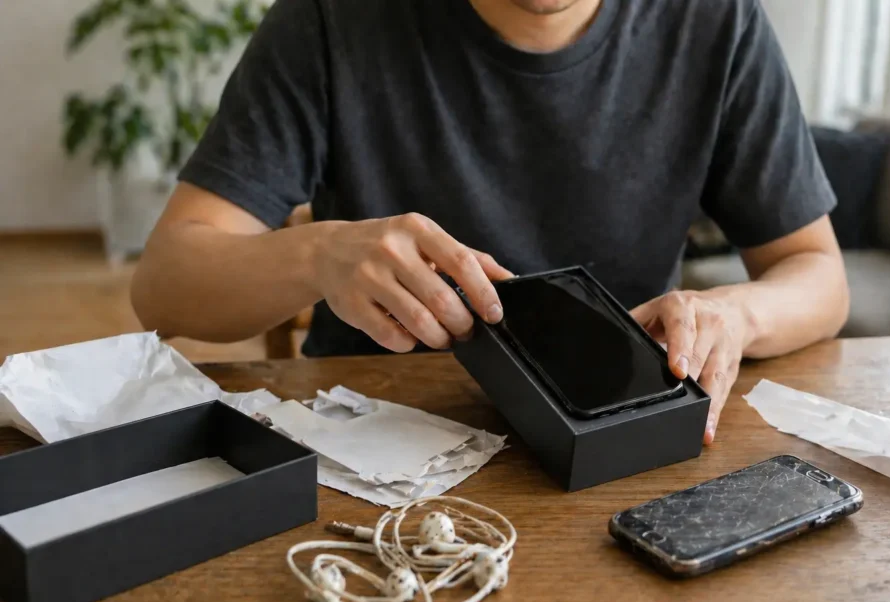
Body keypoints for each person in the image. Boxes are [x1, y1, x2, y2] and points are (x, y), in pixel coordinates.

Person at [131, 0, 850, 446]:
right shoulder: (331, 18)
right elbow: (165, 285)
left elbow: (819, 274)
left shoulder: (715, 21)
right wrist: (318, 254)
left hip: (621, 442)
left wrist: (735, 315)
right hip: (376, 447)